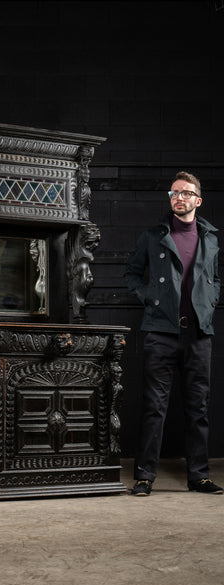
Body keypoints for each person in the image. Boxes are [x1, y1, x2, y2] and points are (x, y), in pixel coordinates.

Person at [125, 171, 223, 496]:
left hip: (198, 334)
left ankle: (199, 476)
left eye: (185, 192)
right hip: (160, 333)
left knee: (198, 407)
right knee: (154, 406)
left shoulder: (210, 238)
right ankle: (144, 476)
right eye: (174, 192)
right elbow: (132, 274)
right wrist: (150, 298)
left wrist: (210, 301)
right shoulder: (153, 236)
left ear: (198, 199)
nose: (178, 197)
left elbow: (215, 278)